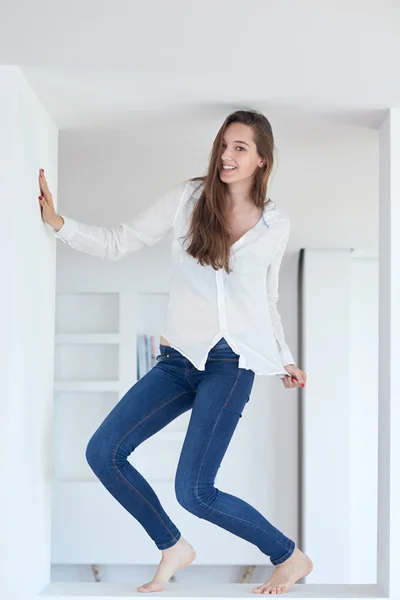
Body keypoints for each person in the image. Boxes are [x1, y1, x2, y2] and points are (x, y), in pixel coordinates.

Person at [38, 110, 312, 595]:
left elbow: (265, 299)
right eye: (223, 145)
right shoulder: (188, 199)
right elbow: (122, 240)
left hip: (233, 365)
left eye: (240, 148)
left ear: (261, 160)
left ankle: (288, 557)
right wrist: (60, 225)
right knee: (104, 451)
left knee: (194, 491)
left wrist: (283, 357)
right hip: (179, 360)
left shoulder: (276, 223)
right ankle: (172, 546)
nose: (226, 156)